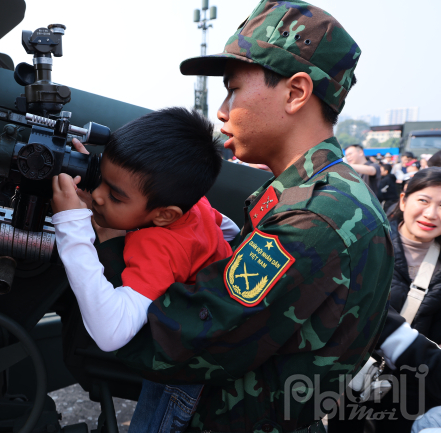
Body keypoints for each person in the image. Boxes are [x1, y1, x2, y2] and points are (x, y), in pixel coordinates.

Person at [73, 1, 393, 431]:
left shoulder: (313, 218)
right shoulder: (317, 191)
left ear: (296, 92)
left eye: (234, 89)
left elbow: (182, 337)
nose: (222, 111)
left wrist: (102, 235)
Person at [50, 107, 239, 433]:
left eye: (115, 195)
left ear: (164, 215)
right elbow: (230, 232)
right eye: (101, 181)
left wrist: (73, 225)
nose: (96, 196)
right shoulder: (198, 206)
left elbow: (111, 332)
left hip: (184, 376)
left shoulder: (160, 248)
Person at [330, 168, 441, 433]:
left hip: (416, 393)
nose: (431, 214)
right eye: (423, 200)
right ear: (403, 200)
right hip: (355, 381)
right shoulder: (366, 243)